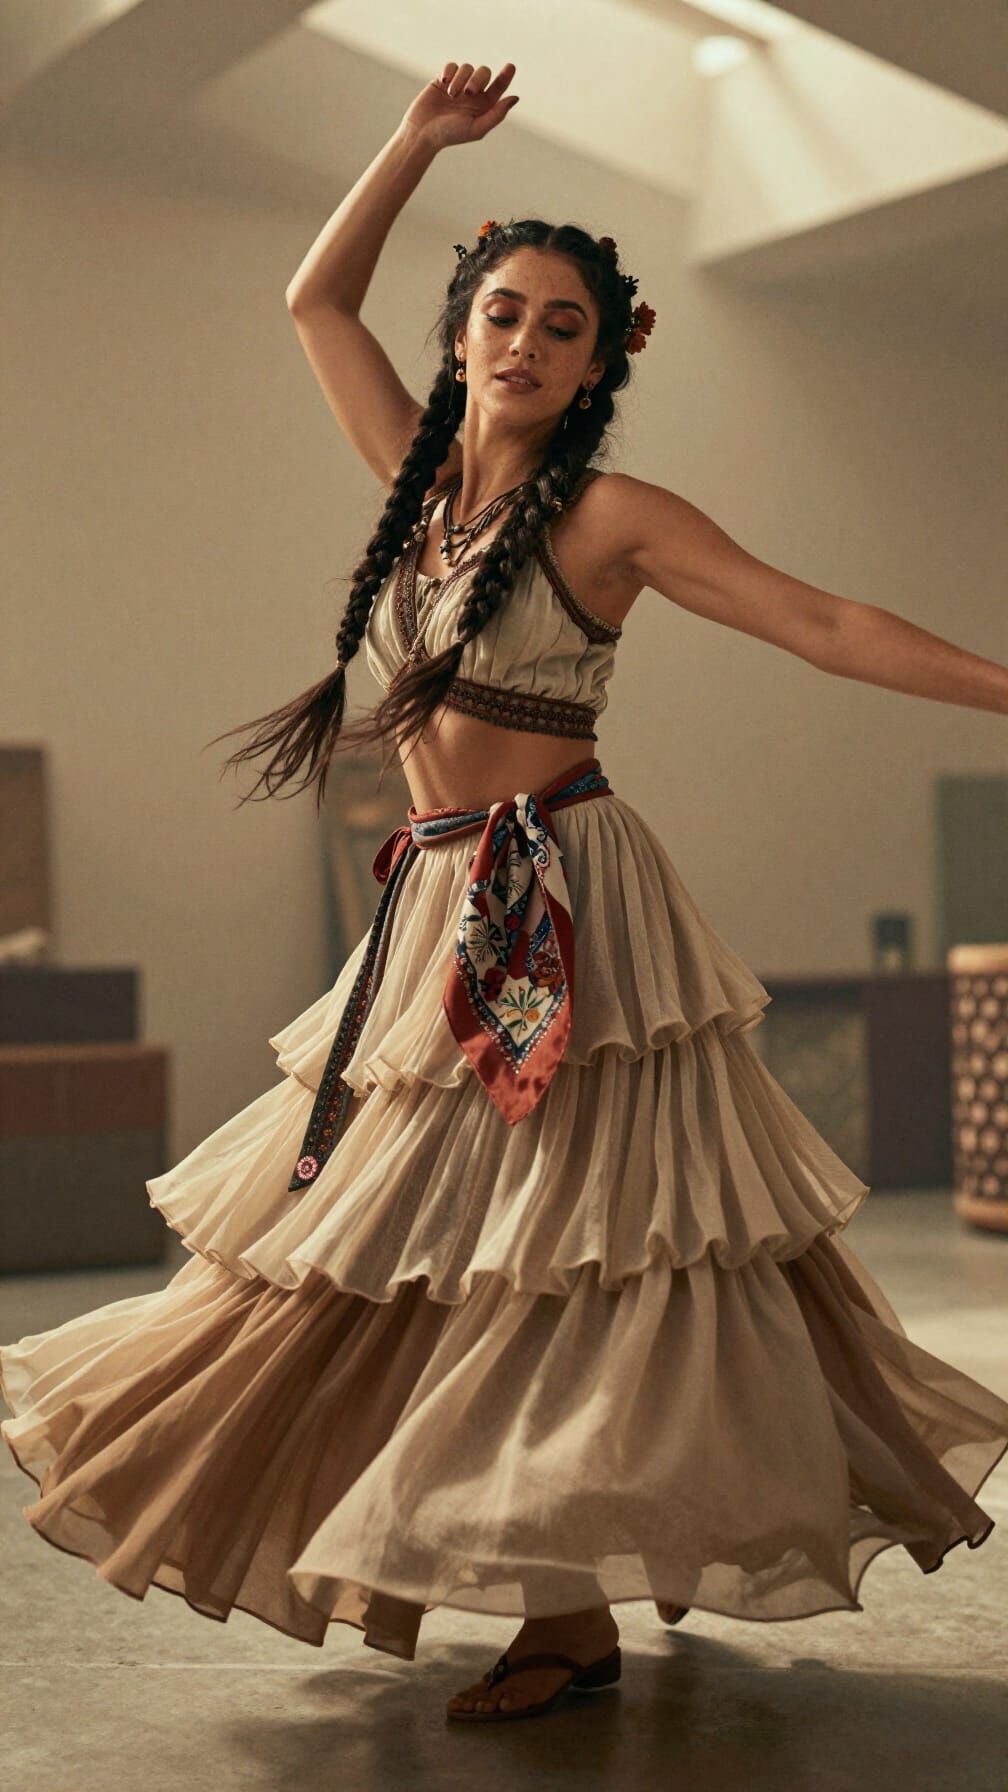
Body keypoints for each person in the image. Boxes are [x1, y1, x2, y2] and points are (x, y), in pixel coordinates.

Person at [3, 59, 1008, 1729]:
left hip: (570, 915)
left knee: (569, 1249)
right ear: (463, 326)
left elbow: (819, 620)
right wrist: (411, 142)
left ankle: (565, 1608)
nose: (527, 342)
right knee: (412, 1246)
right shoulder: (412, 485)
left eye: (563, 326)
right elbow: (315, 296)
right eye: (504, 313)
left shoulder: (612, 516)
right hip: (433, 918)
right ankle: (552, 1569)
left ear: (602, 361)